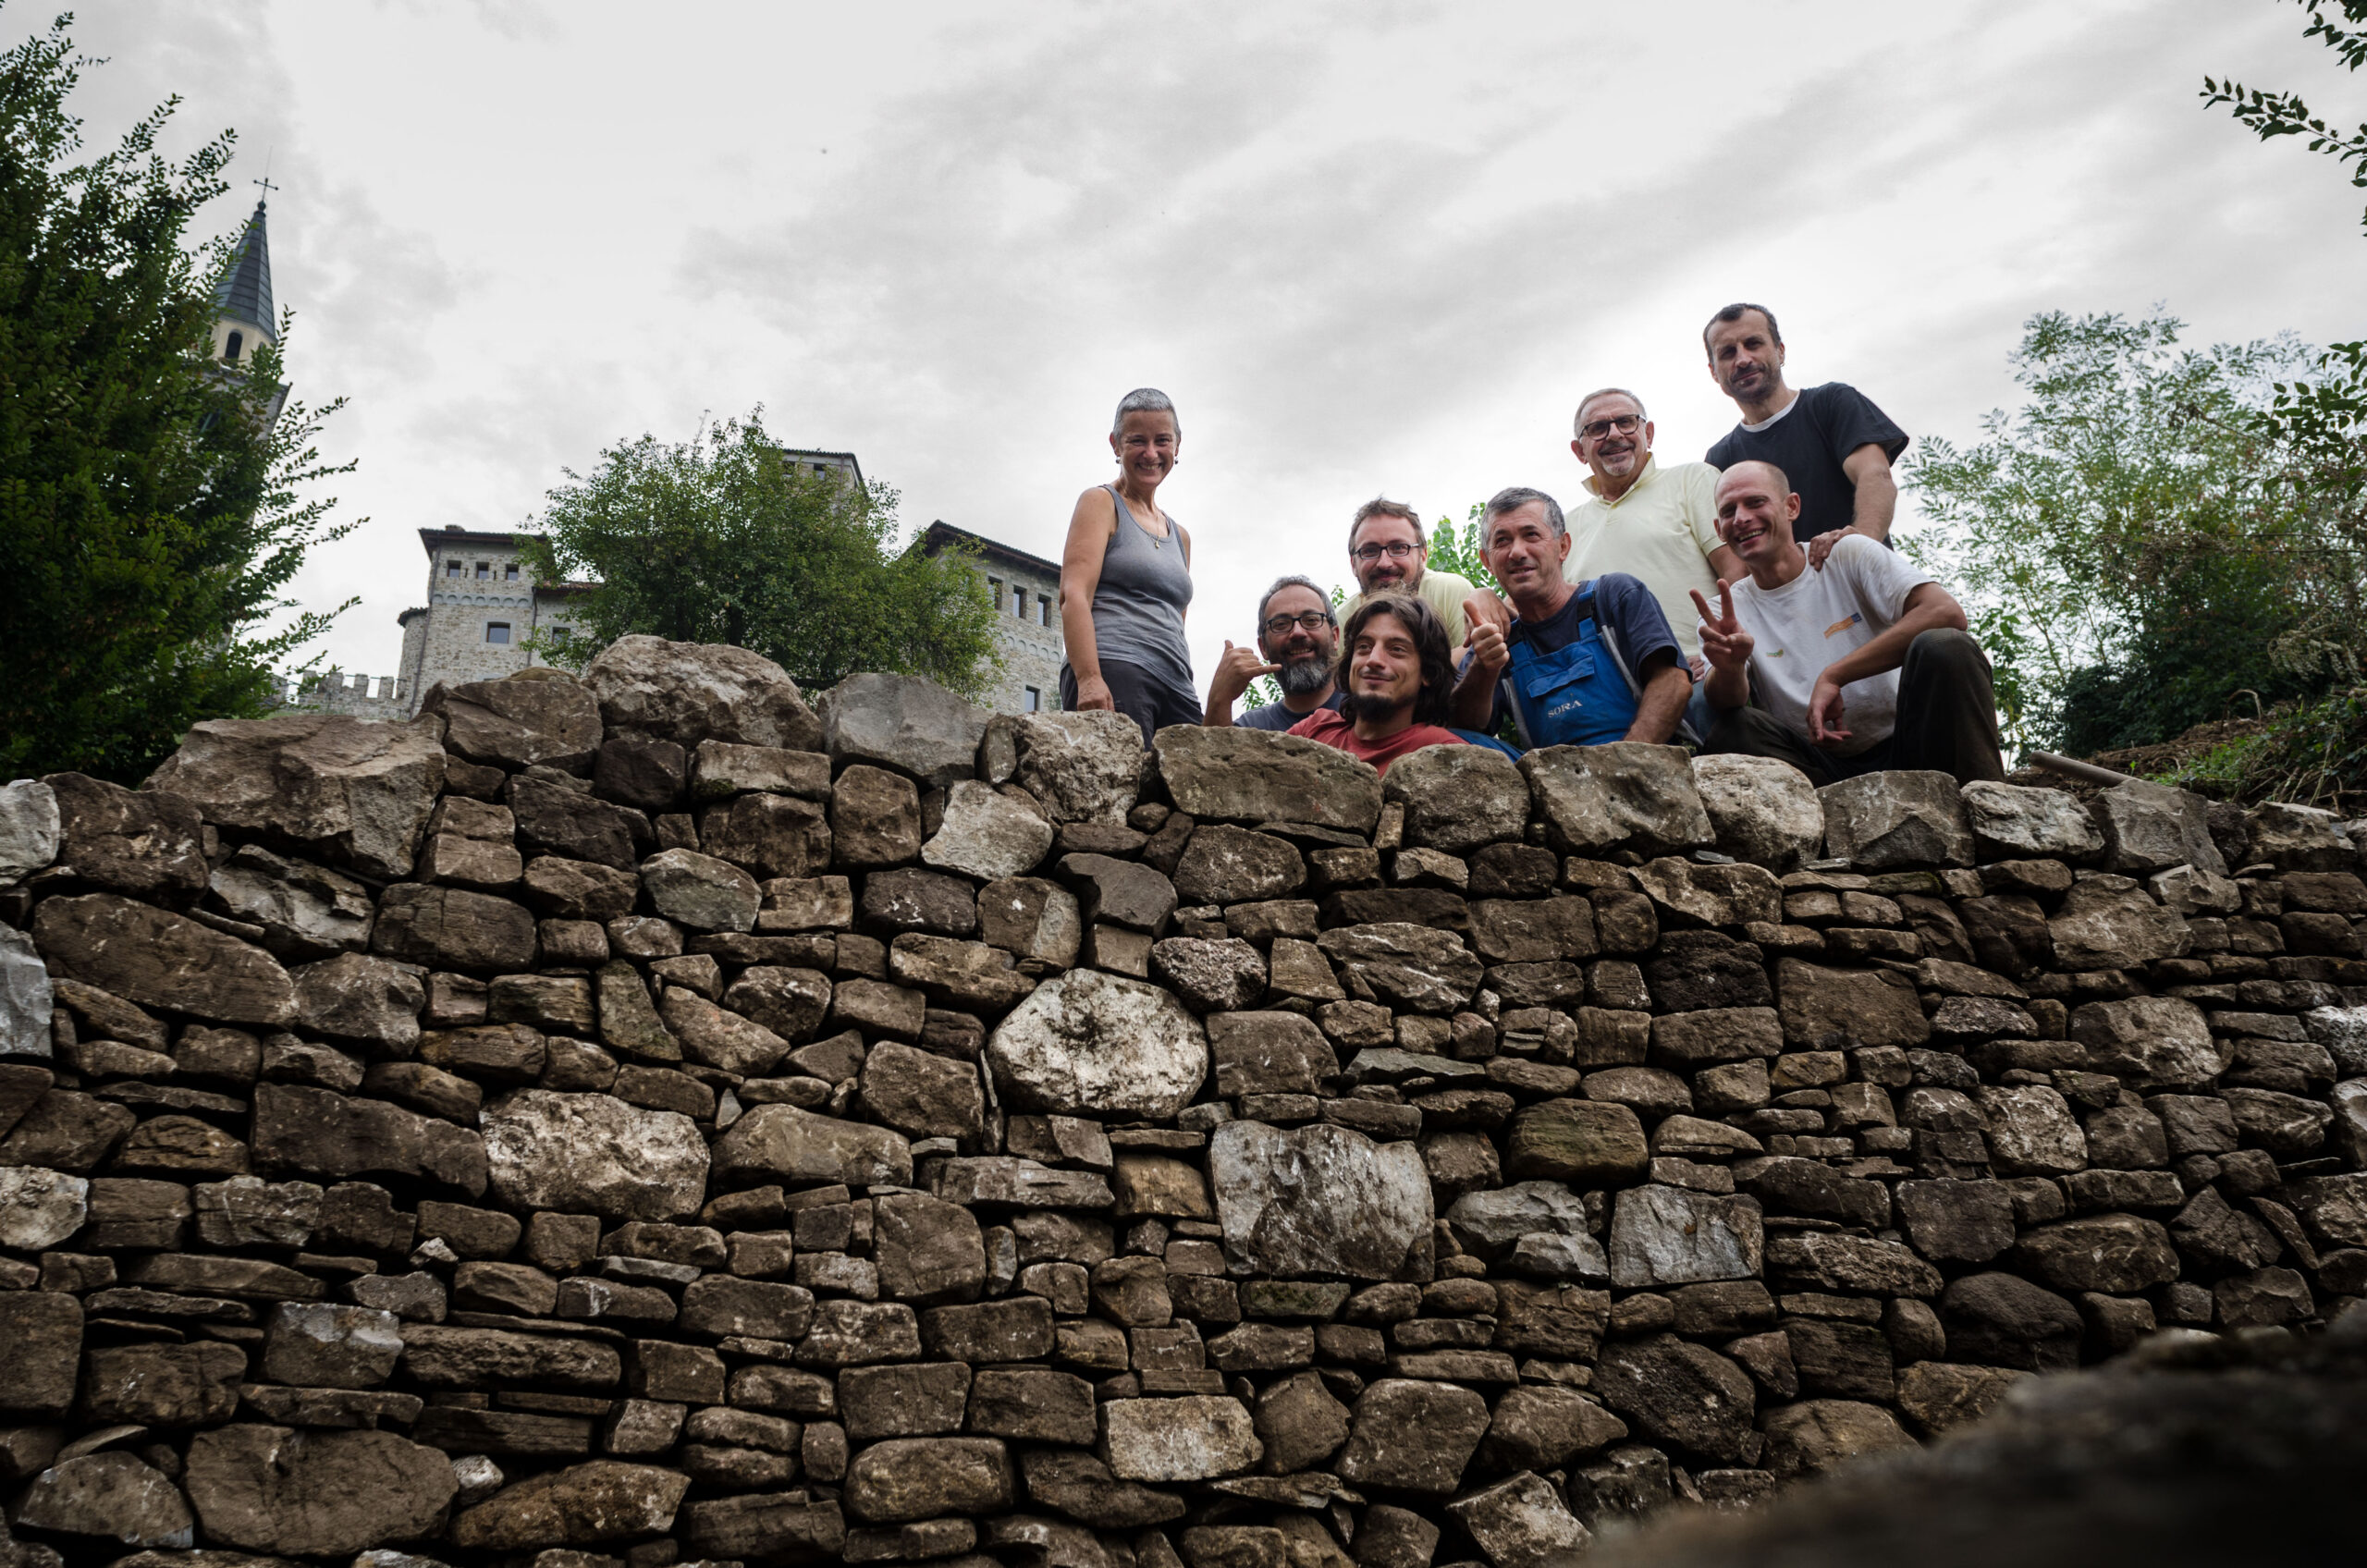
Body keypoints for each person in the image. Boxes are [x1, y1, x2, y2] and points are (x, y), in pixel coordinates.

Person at [1691, 460, 2005, 785]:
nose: (1741, 518)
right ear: (1719, 529)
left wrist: (1835, 675)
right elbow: (1727, 702)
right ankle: (1814, 816)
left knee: (1945, 646)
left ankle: (1986, 799)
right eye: (1728, 511)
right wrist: (1730, 667)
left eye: (1756, 502)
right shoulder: (1724, 610)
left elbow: (1945, 612)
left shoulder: (1845, 554)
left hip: (1911, 739)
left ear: (1791, 507)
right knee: (1734, 730)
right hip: (1817, 767)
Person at [1452, 486, 1693, 747]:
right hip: (1550, 772)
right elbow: (1464, 727)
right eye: (1502, 541)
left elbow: (1672, 682)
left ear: (1563, 546)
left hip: (1644, 759)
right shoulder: (1497, 636)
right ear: (1487, 561)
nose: (1517, 552)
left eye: (1531, 535)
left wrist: (1626, 758)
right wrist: (1484, 668)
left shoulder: (1614, 597)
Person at [1702, 303, 1908, 568]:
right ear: (1714, 372)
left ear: (1780, 351)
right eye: (1728, 353)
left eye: (1753, 344)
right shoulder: (1719, 458)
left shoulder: (1832, 403)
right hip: (1784, 594)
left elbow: (1875, 476)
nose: (1742, 359)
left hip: (1865, 581)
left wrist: (1860, 546)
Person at [1058, 388, 1198, 745]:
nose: (1151, 453)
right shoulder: (1101, 503)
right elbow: (1074, 595)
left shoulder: (1180, 537)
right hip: (1116, 669)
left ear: (1177, 446)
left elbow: (1176, 622)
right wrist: (1089, 678)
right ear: (1116, 445)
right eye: (1137, 441)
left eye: (1162, 440)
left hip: (1177, 687)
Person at [1564, 387, 1739, 662]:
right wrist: (1491, 599)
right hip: (1607, 682)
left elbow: (1737, 571)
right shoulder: (1563, 528)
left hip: (1699, 667)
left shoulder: (1692, 480)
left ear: (1649, 433)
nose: (1614, 434)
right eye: (1597, 428)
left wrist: (1718, 655)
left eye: (1626, 422)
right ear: (1579, 451)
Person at [1287, 594, 1468, 773]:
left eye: (1397, 649)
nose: (1373, 659)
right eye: (1364, 647)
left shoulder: (1447, 756)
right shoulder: (1315, 729)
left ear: (1428, 672)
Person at [1337, 496, 1503, 649]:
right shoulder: (1340, 621)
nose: (1384, 563)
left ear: (1423, 555)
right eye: (1369, 551)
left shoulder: (1449, 592)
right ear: (1353, 564)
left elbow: (1469, 661)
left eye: (1399, 548)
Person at [1204, 575, 1344, 730]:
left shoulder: (1363, 707)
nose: (1298, 632)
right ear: (1263, 647)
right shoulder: (1251, 728)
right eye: (1281, 624)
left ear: (1335, 637)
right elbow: (1213, 746)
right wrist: (1219, 698)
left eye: (1311, 620)